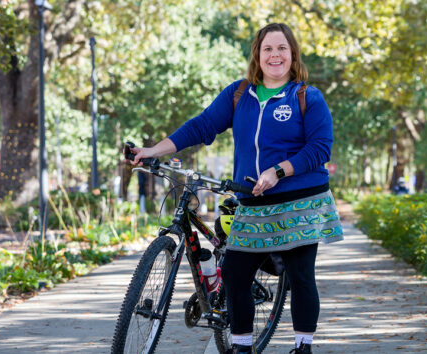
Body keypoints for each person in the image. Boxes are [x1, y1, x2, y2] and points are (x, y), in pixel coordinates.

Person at [130, 23, 343, 354]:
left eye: (282, 48)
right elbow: (202, 126)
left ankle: (303, 348)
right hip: (253, 201)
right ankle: (241, 348)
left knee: (301, 276)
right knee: (234, 273)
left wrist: (278, 170)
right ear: (257, 55)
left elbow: (320, 148)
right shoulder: (240, 93)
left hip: (300, 201)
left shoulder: (307, 97)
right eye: (267, 49)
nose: (275, 55)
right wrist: (152, 151)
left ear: (292, 54)